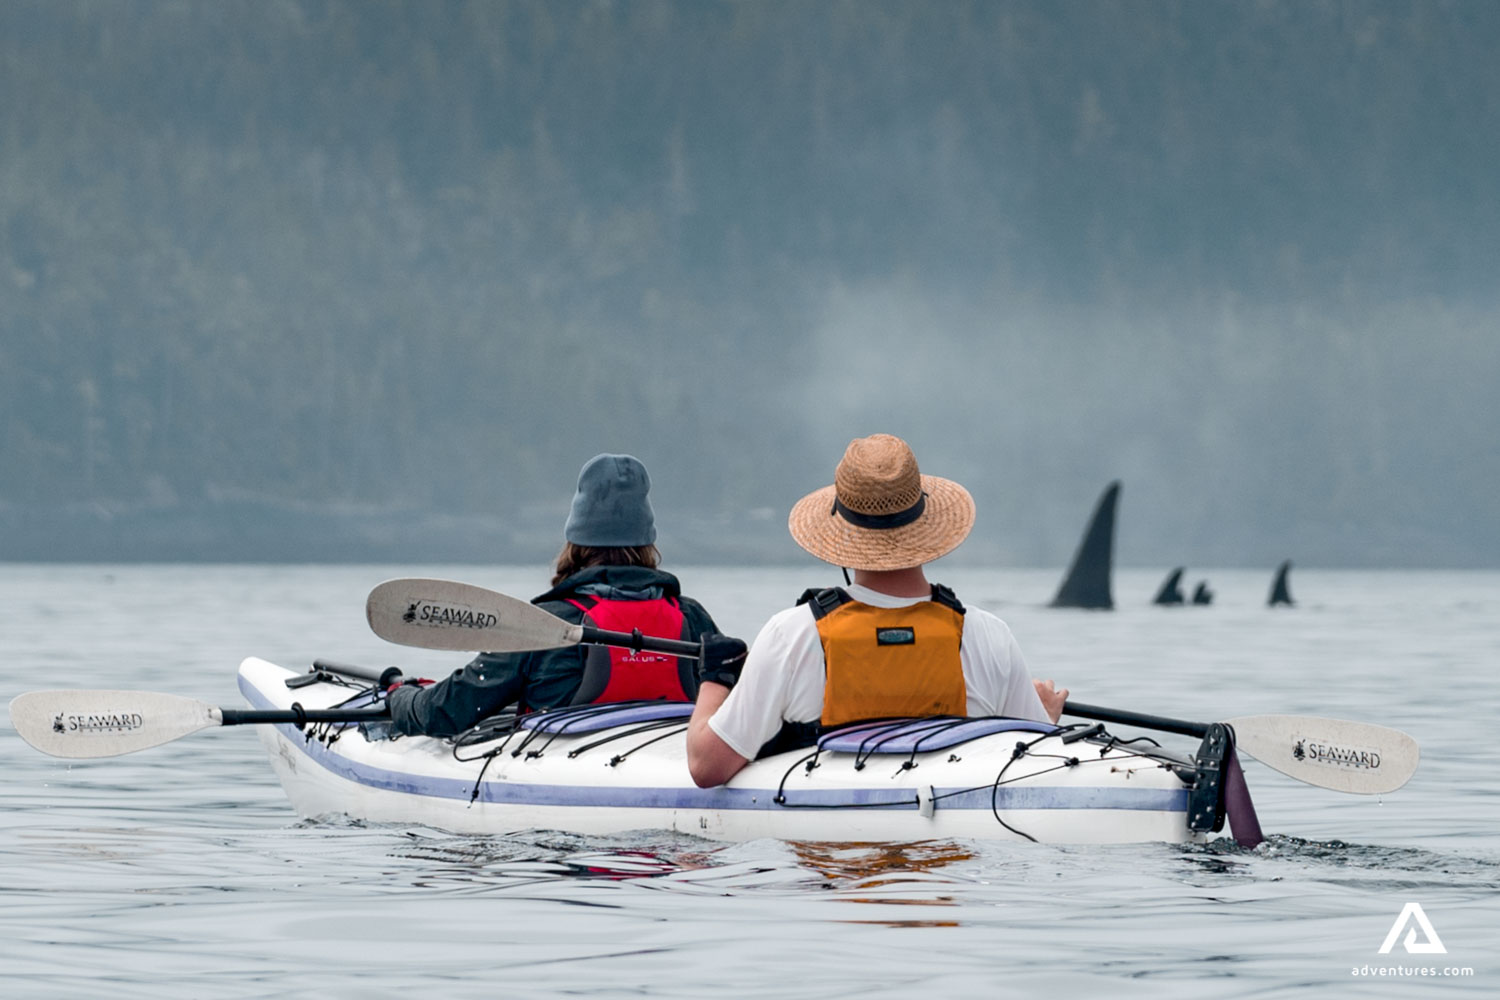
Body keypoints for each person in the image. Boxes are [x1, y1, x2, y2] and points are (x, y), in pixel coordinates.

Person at [686, 433, 1068, 787]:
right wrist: (1042, 721)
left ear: (842, 529)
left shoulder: (792, 634)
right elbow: (1033, 761)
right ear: (924, 520)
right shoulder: (988, 635)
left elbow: (707, 768)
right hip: (951, 851)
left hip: (830, 852)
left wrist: (715, 680)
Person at [386, 454, 723, 738]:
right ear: (649, 543)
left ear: (575, 542)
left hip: (563, 775)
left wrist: (399, 696)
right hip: (670, 756)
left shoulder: (543, 624)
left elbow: (445, 714)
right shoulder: (693, 619)